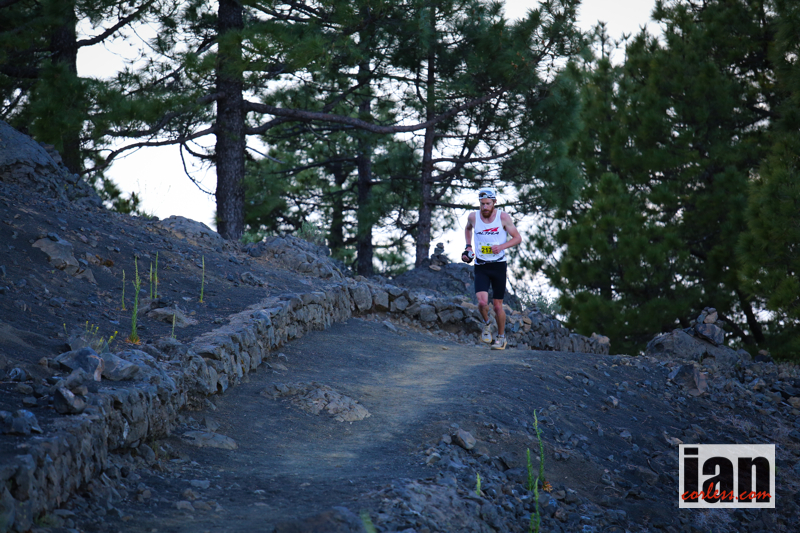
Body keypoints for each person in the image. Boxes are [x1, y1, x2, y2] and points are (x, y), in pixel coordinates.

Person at [461, 187, 522, 350]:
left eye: (488, 204)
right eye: (482, 204)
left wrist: (501, 246)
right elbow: (467, 228)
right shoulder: (473, 217)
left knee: (497, 306)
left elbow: (517, 238)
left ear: (494, 202)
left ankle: (501, 338)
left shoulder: (503, 217)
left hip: (498, 266)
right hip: (481, 265)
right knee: (482, 303)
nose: (485, 207)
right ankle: (487, 324)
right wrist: (468, 247)